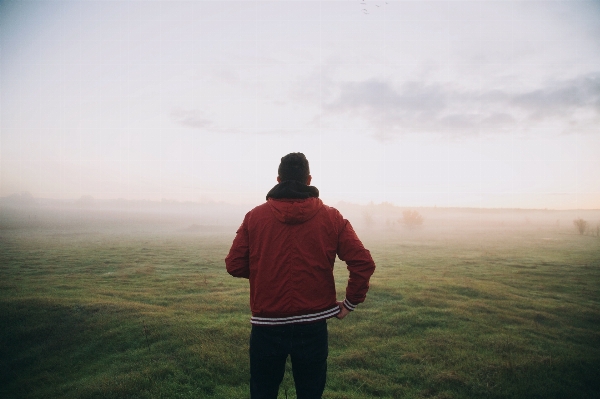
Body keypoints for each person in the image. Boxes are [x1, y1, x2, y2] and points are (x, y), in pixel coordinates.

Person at [225, 152, 376, 399]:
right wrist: (350, 303)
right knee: (310, 394)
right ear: (309, 179)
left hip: (267, 327)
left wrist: (266, 271)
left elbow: (234, 265)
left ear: (278, 179)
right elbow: (363, 262)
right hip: (313, 327)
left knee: (262, 393)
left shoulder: (254, 217)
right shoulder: (332, 217)